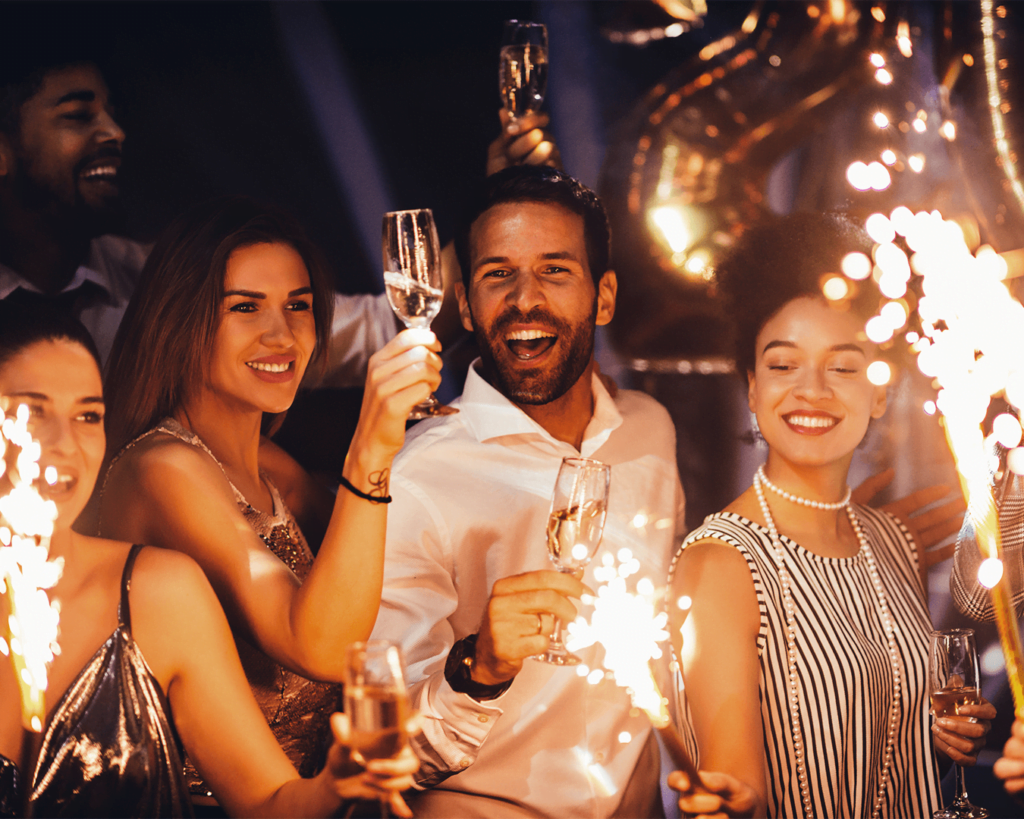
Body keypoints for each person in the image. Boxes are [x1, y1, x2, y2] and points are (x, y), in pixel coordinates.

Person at [0, 304, 419, 818]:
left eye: (88, 415)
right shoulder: (165, 465)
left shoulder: (159, 592)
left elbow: (270, 803)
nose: (65, 445)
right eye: (32, 412)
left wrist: (337, 784)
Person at [368, 165, 689, 817]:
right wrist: (476, 667)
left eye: (554, 270)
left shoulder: (649, 430)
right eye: (498, 274)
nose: (524, 300)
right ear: (464, 304)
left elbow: (673, 645)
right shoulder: (418, 473)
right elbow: (384, 749)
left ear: (603, 297)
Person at [96, 196, 440, 802]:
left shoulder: (273, 469)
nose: (282, 334)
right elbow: (322, 647)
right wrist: (369, 453)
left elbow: (390, 569)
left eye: (298, 306)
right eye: (245, 308)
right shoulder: (163, 469)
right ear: (181, 320)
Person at [667, 212, 996, 818]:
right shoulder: (721, 564)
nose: (811, 390)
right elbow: (737, 792)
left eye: (843, 367)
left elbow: (864, 721)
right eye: (783, 364)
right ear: (751, 389)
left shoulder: (893, 541)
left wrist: (929, 734)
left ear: (880, 391)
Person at [0, 52, 559, 375]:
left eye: (112, 114)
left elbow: (378, 328)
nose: (114, 134)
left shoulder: (145, 276)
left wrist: (496, 204)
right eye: (77, 116)